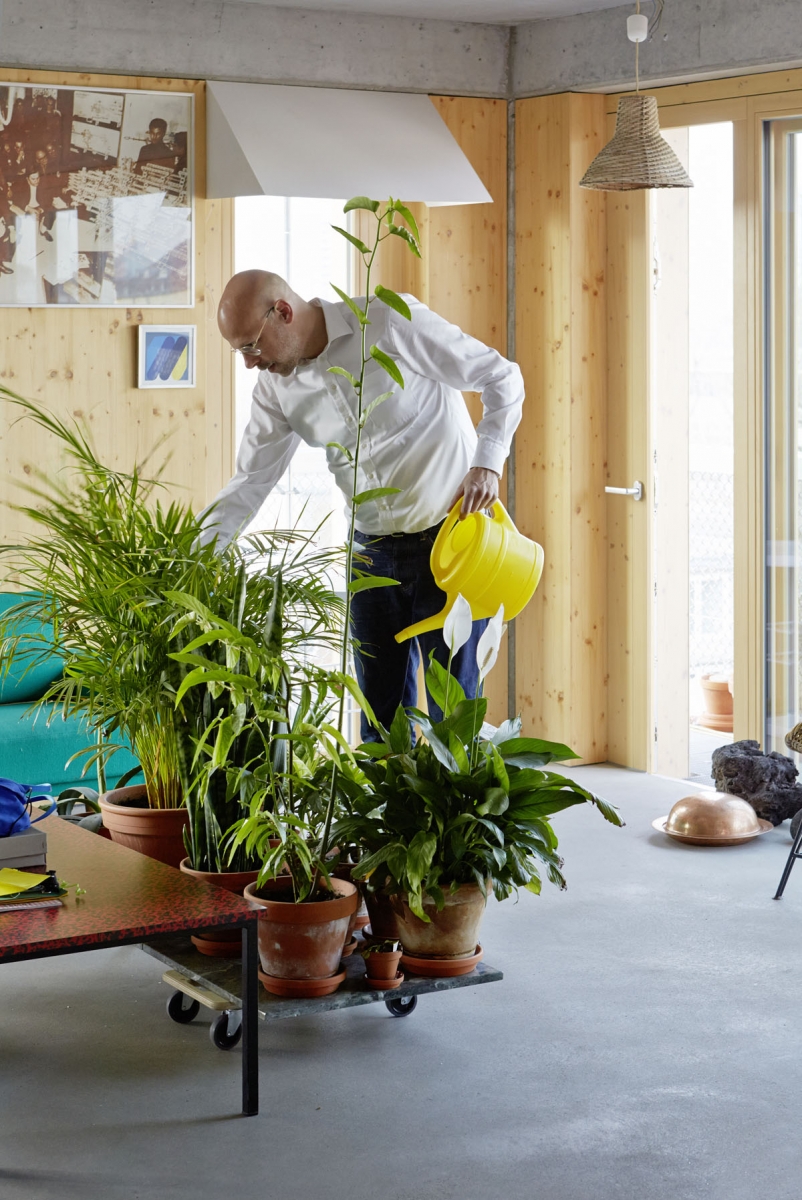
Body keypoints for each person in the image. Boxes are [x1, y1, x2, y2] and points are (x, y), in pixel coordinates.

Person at [204, 270, 524, 739]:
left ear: (284, 312)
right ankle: (394, 816)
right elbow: (251, 480)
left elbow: (501, 377)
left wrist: (488, 462)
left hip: (450, 542)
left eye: (251, 346)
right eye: (240, 353)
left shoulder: (390, 322)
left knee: (453, 722)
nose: (251, 364)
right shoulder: (276, 388)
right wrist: (189, 559)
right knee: (380, 725)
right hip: (369, 556)